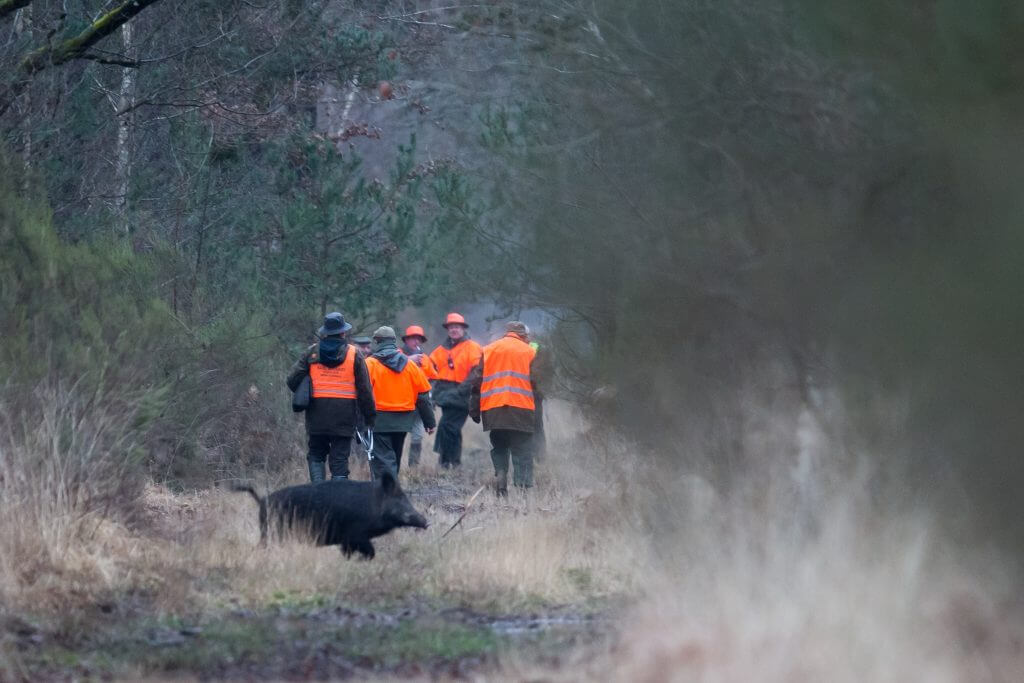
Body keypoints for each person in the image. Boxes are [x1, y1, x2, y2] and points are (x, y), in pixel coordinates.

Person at [286, 312, 376, 483]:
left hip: (316, 416)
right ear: (343, 333)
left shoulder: (312, 352)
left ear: (325, 332)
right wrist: (369, 417)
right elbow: (365, 391)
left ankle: (319, 494)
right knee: (339, 459)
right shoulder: (354, 354)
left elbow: (291, 381)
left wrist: (308, 383)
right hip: (344, 417)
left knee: (316, 454)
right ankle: (338, 499)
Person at [465, 321, 546, 495]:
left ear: (506, 333)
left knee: (500, 446)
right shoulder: (530, 351)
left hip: (494, 409)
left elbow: (477, 382)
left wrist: (474, 409)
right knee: (523, 449)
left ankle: (501, 479)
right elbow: (537, 382)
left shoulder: (488, 350)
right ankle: (523, 489)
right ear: (523, 335)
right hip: (522, 408)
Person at [364, 326, 436, 478]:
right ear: (394, 342)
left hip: (379, 420)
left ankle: (387, 492)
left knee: (384, 459)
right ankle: (391, 491)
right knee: (394, 457)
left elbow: (362, 393)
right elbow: (423, 396)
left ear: (377, 342)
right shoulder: (411, 365)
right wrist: (429, 422)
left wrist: (361, 418)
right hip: (403, 422)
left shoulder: (370, 364)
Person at [428, 312, 483, 468]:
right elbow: (429, 368)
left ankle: (445, 461)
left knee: (447, 425)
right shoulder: (441, 350)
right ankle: (453, 461)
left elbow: (476, 373)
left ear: (463, 329)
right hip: (444, 394)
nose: (454, 330)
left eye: (457, 327)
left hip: (463, 394)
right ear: (448, 329)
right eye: (451, 327)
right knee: (453, 428)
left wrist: (461, 390)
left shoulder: (472, 347)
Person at [401, 325, 436, 466]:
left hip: (420, 404)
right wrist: (409, 359)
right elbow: (390, 365)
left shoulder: (425, 359)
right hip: (402, 403)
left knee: (418, 436)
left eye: (419, 339)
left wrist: (430, 399)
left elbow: (432, 378)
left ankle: (413, 468)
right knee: (399, 435)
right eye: (413, 338)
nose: (416, 341)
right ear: (406, 340)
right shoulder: (397, 353)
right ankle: (394, 467)